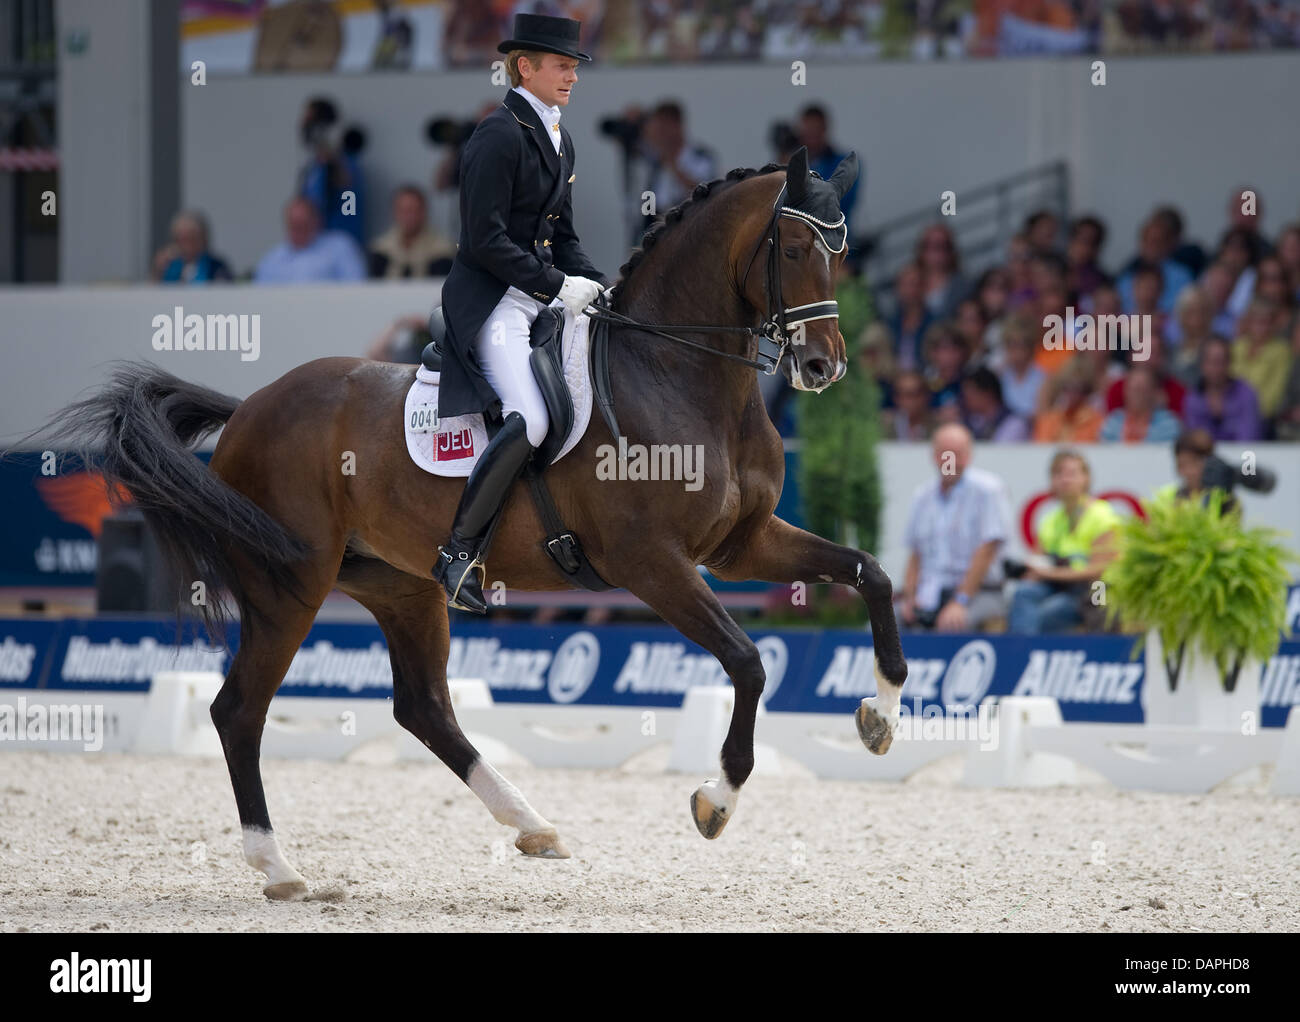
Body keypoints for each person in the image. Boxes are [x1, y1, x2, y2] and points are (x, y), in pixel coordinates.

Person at [432, 13, 609, 614]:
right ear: (524, 67)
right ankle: (458, 552)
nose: (572, 77)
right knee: (530, 418)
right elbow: (484, 240)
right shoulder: (497, 134)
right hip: (493, 302)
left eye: (575, 67)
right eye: (562, 66)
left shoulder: (561, 137)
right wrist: (559, 286)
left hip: (538, 296)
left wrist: (600, 288)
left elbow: (563, 234)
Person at [898, 424, 1010, 632]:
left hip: (980, 592)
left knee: (952, 624)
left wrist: (960, 600)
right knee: (881, 623)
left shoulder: (988, 490)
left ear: (968, 456)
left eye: (957, 454)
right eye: (944, 454)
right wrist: (910, 598)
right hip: (931, 592)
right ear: (933, 455)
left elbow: (987, 550)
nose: (950, 461)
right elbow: (916, 554)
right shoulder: (922, 496)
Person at [1007, 449, 1120, 634]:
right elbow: (1037, 561)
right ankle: (1018, 652)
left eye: (1072, 473)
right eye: (1059, 474)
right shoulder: (1051, 520)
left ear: (1086, 479)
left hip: (1094, 589)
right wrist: (1032, 572)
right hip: (1061, 586)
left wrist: (1050, 573)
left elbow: (1099, 570)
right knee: (1023, 592)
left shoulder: (1102, 515)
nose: (1065, 479)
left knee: (1050, 612)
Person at [253, 197, 366, 283]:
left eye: (303, 225)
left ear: (317, 221)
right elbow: (259, 296)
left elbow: (356, 286)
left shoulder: (340, 247)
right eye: (294, 226)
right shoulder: (273, 259)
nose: (298, 231)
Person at [1181, 337, 1263, 441]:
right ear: (1202, 365)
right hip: (1205, 456)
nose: (1217, 369)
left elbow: (1248, 439)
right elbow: (1196, 442)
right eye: (1212, 362)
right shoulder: (1193, 398)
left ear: (1229, 363)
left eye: (1221, 362)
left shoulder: (1246, 394)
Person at [368, 184, 456, 279]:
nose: (409, 217)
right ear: (394, 212)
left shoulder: (442, 251)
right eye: (404, 211)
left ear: (424, 212)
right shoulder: (380, 251)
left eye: (414, 210)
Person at [1099, 363, 1182, 443]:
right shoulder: (1113, 422)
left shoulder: (1168, 424)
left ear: (1153, 392)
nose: (1137, 394)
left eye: (1141, 389)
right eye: (1133, 389)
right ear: (1125, 391)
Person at [152, 210, 233, 284]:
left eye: (192, 238)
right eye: (181, 239)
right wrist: (157, 271)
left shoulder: (216, 267)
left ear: (203, 239)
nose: (186, 245)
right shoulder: (169, 266)